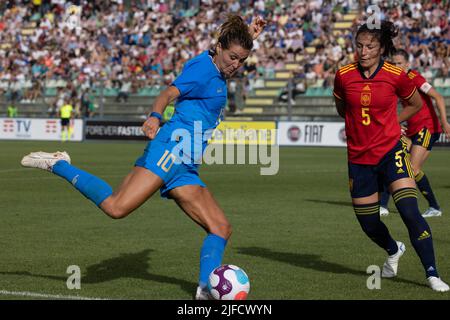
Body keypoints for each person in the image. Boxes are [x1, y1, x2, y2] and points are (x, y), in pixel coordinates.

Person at [21, 15, 266, 300]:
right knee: (116, 207)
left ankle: (204, 292)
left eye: (241, 61)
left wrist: (249, 34)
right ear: (220, 47)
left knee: (221, 228)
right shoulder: (202, 69)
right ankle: (59, 164)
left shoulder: (218, 62)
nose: (236, 65)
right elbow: (168, 93)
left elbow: (229, 50)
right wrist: (154, 116)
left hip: (186, 165)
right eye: (233, 57)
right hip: (169, 151)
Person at [333, 21, 449, 292]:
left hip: (391, 152)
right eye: (359, 45)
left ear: (381, 48)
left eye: (370, 46)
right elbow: (342, 108)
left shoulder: (396, 75)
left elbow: (416, 104)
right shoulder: (343, 75)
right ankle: (393, 249)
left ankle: (432, 273)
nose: (363, 51)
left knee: (410, 211)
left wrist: (393, 124)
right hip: (359, 159)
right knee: (369, 223)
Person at [379, 49, 450, 218]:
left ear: (407, 64)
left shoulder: (414, 78)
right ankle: (384, 204)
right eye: (393, 63)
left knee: (411, 167)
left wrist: (445, 122)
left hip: (426, 128)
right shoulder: (396, 81)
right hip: (412, 129)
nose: (396, 66)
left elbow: (438, 97)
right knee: (394, 160)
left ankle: (432, 207)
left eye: (399, 63)